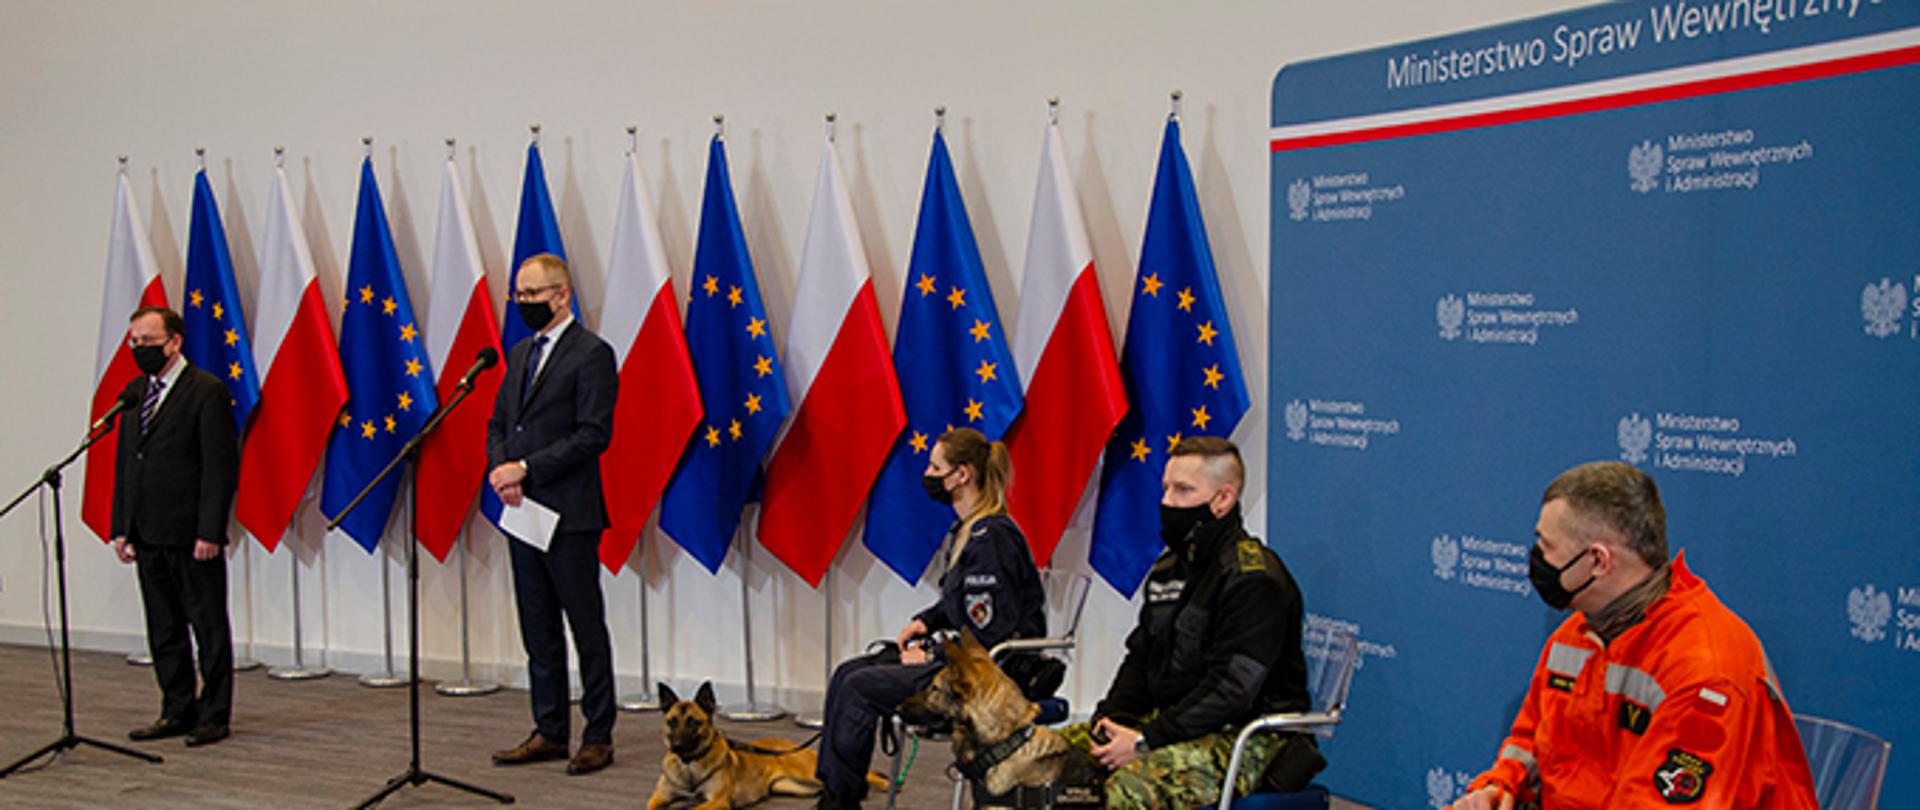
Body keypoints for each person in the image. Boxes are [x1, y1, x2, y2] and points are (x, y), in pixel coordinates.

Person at [1451, 461, 1817, 810]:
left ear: (1597, 561)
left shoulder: (1706, 669)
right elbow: (1529, 742)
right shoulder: (1578, 632)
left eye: (1546, 546)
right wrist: (1498, 788)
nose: (1536, 558)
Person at [1068, 436, 1319, 809]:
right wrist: (1113, 718)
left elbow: (1233, 691)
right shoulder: (1169, 569)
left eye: (1183, 490)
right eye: (1166, 488)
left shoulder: (1255, 579)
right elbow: (1140, 659)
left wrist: (1144, 741)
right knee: (1038, 757)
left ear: (1223, 499)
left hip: (1251, 734)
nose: (1168, 501)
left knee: (1130, 787)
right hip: (1175, 721)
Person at [815, 428, 1046, 809]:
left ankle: (840, 803)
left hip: (988, 679)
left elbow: (991, 633)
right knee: (845, 674)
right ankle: (835, 795)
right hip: (967, 667)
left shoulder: (991, 539)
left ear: (962, 475)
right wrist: (926, 622)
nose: (928, 473)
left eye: (936, 466)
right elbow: (964, 603)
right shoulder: (971, 530)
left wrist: (934, 659)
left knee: (859, 687)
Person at [485, 253, 620, 776]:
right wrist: (503, 469)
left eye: (532, 296)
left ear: (562, 295)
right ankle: (548, 729)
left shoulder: (592, 354)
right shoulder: (519, 352)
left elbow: (593, 434)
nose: (523, 304)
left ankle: (598, 733)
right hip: (522, 511)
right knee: (536, 624)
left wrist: (527, 468)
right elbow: (499, 421)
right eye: (517, 296)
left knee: (585, 626)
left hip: (569, 513)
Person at [111, 306, 240, 748]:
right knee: (163, 628)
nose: (139, 350)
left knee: (208, 627)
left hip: (191, 535)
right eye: (134, 342)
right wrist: (120, 527)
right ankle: (176, 708)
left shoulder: (206, 391)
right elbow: (127, 465)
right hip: (146, 532)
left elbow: (219, 469)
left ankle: (214, 714)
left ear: (174, 342)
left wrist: (210, 530)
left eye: (148, 341)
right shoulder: (133, 393)